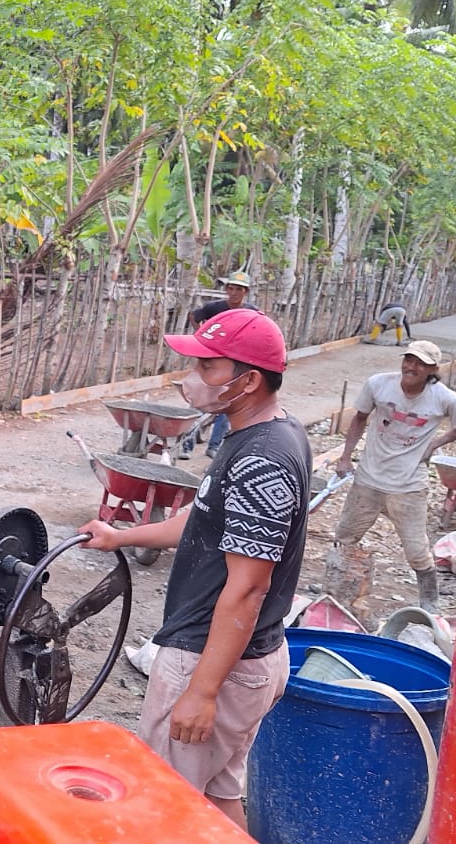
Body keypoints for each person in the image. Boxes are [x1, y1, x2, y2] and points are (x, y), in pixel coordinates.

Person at [79, 308, 309, 829]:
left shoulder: (262, 459)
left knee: (169, 812)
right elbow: (201, 518)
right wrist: (121, 534)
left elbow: (248, 588)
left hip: (214, 660)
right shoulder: (265, 432)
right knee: (218, 798)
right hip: (250, 660)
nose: (192, 377)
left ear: (247, 381)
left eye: (209, 367)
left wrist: (202, 692)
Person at [327, 341, 456, 617]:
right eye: (408, 360)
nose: (411, 367)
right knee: (345, 536)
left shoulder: (443, 398)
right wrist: (346, 457)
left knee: (416, 550)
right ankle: (333, 588)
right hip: (368, 479)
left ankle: (429, 601)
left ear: (432, 369)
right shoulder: (379, 384)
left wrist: (436, 443)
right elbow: (359, 418)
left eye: (419, 363)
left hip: (408, 485)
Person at [181, 271, 258, 460]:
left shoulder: (250, 313)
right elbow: (194, 316)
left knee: (226, 403)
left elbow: (258, 332)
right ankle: (186, 445)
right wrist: (202, 335)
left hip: (234, 366)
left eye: (238, 289)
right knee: (199, 401)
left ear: (245, 292)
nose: (233, 293)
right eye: (230, 288)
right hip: (211, 362)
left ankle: (214, 446)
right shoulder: (214, 308)